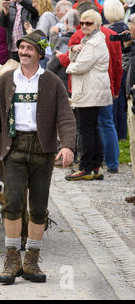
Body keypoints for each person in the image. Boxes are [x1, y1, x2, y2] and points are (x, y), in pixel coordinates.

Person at [0, 29, 76, 284]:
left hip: (43, 149)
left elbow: (66, 118)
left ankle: (31, 260)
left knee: (38, 207)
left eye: (29, 49)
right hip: (12, 148)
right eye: (21, 48)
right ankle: (12, 259)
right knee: (12, 203)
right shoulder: (4, 81)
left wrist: (67, 145)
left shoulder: (52, 83)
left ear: (39, 53)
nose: (23, 52)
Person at [65, 9, 113, 180]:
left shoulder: (94, 43)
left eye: (89, 23)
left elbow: (80, 66)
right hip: (91, 90)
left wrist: (69, 66)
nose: (84, 26)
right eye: (82, 23)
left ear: (97, 25)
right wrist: (73, 50)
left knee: (86, 129)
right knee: (92, 128)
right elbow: (76, 59)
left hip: (89, 91)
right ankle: (94, 166)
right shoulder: (89, 40)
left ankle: (86, 167)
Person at [104, 0, 130, 141]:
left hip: (116, 69)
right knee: (121, 104)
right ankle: (121, 135)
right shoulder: (125, 27)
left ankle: (113, 135)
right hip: (126, 69)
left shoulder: (111, 31)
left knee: (113, 103)